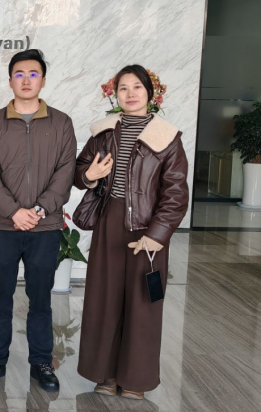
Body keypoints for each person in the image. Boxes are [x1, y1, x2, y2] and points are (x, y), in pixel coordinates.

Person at [76, 64, 188, 400]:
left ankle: (135, 379)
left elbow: (176, 193)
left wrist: (157, 233)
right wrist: (89, 174)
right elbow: (79, 171)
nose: (130, 94)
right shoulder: (103, 132)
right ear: (115, 95)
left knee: (143, 304)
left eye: (137, 87)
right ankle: (106, 375)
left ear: (150, 93)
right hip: (109, 223)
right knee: (104, 300)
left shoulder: (167, 137)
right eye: (123, 88)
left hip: (148, 230)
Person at [0, 49, 76, 391]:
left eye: (33, 74)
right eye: (20, 74)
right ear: (10, 81)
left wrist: (39, 210)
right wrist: (14, 212)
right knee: (0, 297)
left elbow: (66, 172)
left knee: (41, 298)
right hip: (3, 226)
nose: (26, 80)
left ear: (43, 80)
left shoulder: (61, 123)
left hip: (44, 227)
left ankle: (42, 363)